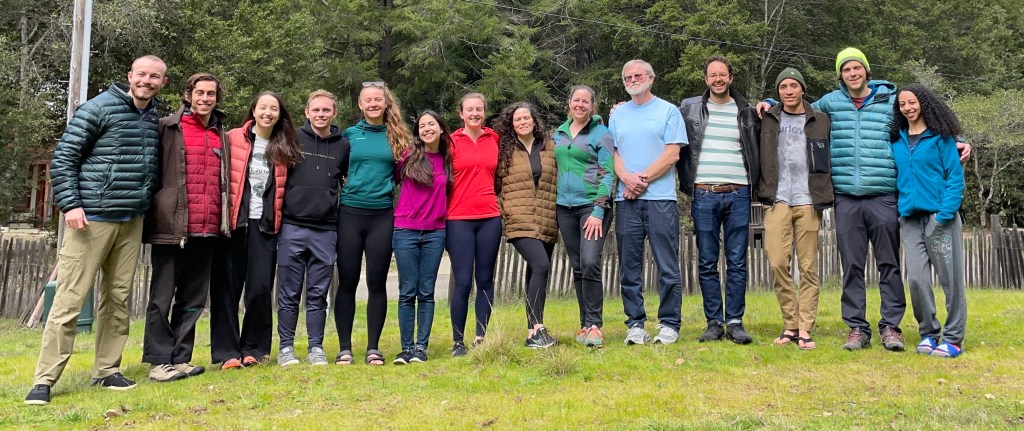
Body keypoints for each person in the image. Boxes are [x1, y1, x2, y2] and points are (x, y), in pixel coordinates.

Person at [757, 47, 971, 351]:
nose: (852, 73)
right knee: (852, 266)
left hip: (884, 195)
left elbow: (922, 123)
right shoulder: (830, 102)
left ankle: (891, 327)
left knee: (889, 264)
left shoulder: (890, 103)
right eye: (846, 69)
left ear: (866, 71)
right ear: (840, 75)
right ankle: (857, 327)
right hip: (845, 196)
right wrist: (768, 103)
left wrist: (958, 140)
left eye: (857, 68)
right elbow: (796, 107)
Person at [27, 55, 166, 405]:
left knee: (118, 298)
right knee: (71, 299)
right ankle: (44, 380)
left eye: (155, 77)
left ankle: (107, 370)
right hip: (92, 218)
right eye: (142, 74)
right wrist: (70, 204)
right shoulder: (98, 108)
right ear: (129, 76)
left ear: (162, 82)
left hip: (131, 220)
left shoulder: (152, 117)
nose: (147, 81)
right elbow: (65, 157)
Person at [142, 72, 230, 382]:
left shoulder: (222, 134)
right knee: (161, 298)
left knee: (193, 300)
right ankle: (158, 361)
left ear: (217, 98)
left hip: (206, 230)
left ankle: (181, 357)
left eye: (211, 94)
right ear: (188, 95)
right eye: (200, 93)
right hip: (171, 228)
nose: (205, 98)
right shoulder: (167, 128)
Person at [210, 92, 299, 370]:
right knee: (227, 289)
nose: (268, 113)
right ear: (253, 110)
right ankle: (227, 352)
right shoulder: (233, 137)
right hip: (234, 224)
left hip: (266, 227)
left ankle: (255, 349)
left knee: (260, 289)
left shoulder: (285, 146)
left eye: (273, 109)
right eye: (263, 107)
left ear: (279, 114)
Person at [678, 55, 759, 345]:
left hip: (738, 193)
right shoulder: (689, 109)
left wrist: (771, 103)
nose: (718, 79)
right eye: (712, 75)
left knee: (737, 261)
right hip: (704, 194)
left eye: (722, 74)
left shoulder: (747, 111)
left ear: (731, 77)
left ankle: (735, 322)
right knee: (707, 261)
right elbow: (659, 119)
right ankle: (714, 322)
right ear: (706, 79)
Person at [610, 59, 687, 345]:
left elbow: (672, 155)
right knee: (629, 267)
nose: (632, 79)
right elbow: (612, 153)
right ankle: (635, 324)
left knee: (667, 265)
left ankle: (669, 323)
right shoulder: (617, 114)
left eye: (638, 75)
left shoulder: (668, 111)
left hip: (660, 200)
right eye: (627, 76)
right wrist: (626, 180)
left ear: (651, 79)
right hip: (625, 201)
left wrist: (639, 181)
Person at [335, 81, 410, 366]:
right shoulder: (350, 136)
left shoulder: (398, 137)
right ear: (360, 104)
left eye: (378, 99)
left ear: (386, 103)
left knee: (376, 282)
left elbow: (404, 173)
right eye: (368, 100)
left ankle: (373, 348)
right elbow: (339, 170)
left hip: (382, 215)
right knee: (348, 282)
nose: (373, 104)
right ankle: (344, 348)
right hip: (350, 215)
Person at [757, 68, 833, 350]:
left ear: (802, 89)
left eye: (793, 86)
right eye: (783, 87)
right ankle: (789, 323)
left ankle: (804, 328)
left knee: (809, 267)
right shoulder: (766, 118)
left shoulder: (821, 119)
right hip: (777, 199)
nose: (788, 91)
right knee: (778, 262)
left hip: (809, 200)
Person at [890, 83, 967, 358]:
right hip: (910, 220)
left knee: (951, 281)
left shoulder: (941, 137)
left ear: (923, 103)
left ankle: (954, 338)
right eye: (902, 104)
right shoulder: (896, 139)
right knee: (917, 280)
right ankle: (928, 333)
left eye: (912, 102)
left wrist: (944, 216)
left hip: (940, 218)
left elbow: (954, 177)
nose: (908, 108)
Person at [276, 90, 349, 366]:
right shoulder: (291, 138)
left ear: (334, 113)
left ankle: (315, 347)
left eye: (326, 110)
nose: (321, 114)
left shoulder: (343, 145)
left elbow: (345, 180)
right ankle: (285, 348)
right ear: (307, 112)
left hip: (325, 229)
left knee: (318, 293)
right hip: (292, 226)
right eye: (316, 110)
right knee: (289, 292)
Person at [553, 85, 615, 348]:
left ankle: (595, 325)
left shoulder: (601, 133)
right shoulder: (559, 133)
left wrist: (599, 211)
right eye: (576, 100)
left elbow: (608, 173)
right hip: (564, 208)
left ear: (592, 106)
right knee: (578, 266)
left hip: (591, 207)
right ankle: (584, 323)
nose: (580, 105)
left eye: (585, 102)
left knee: (590, 262)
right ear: (569, 103)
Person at [495, 102, 559, 349]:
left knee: (537, 271)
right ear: (511, 124)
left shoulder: (550, 147)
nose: (522, 122)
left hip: (546, 217)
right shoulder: (505, 150)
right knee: (540, 264)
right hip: (519, 218)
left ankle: (532, 331)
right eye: (517, 119)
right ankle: (537, 328)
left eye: (526, 118)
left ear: (534, 121)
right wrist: (505, 211)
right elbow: (495, 186)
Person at [391, 110, 453, 365]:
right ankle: (406, 349)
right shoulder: (407, 156)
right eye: (422, 125)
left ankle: (421, 348)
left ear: (440, 128)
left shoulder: (448, 159)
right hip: (405, 229)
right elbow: (388, 177)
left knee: (426, 291)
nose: (427, 128)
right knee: (407, 291)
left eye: (432, 124)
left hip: (435, 232)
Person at [446, 93, 502, 357]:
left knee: (485, 280)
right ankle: (458, 341)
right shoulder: (451, 142)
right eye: (469, 109)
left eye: (479, 109)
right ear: (461, 114)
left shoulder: (494, 139)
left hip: (490, 216)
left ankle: (481, 336)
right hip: (458, 218)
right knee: (463, 282)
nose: (474, 113)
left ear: (484, 112)